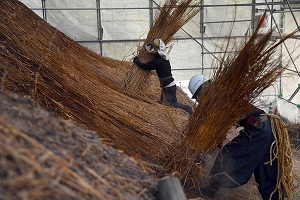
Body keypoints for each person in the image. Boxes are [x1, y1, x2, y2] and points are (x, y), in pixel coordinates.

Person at [188, 74, 279, 200]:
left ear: (202, 90)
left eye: (197, 97)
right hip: (267, 129)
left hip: (257, 131)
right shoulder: (222, 92)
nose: (198, 101)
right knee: (264, 172)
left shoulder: (218, 99)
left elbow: (220, 132)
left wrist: (207, 154)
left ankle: (209, 190)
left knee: (225, 155)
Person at [133, 38, 193, 115]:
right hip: (169, 84)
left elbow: (146, 66)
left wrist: (137, 61)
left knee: (170, 104)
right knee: (162, 102)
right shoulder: (163, 57)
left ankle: (187, 108)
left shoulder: (158, 61)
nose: (152, 52)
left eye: (153, 50)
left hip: (168, 85)